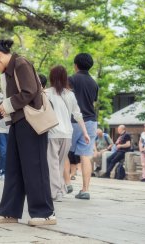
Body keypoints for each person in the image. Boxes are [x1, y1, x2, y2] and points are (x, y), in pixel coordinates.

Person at [0, 39, 55, 226]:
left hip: (32, 122)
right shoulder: (8, 72)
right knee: (13, 168)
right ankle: (9, 212)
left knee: (35, 168)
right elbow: (9, 103)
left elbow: (28, 92)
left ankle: (45, 213)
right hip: (18, 122)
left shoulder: (21, 63)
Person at [45, 65, 90, 202]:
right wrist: (85, 132)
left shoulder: (46, 93)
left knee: (51, 164)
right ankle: (59, 191)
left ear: (51, 77)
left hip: (53, 133)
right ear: (65, 78)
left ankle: (54, 193)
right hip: (67, 134)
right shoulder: (70, 94)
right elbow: (78, 115)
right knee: (58, 164)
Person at [67, 53, 98, 200]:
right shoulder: (94, 83)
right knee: (86, 156)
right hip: (91, 121)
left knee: (63, 152)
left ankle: (65, 184)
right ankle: (85, 190)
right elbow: (93, 103)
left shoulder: (71, 79)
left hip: (74, 121)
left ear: (76, 65)